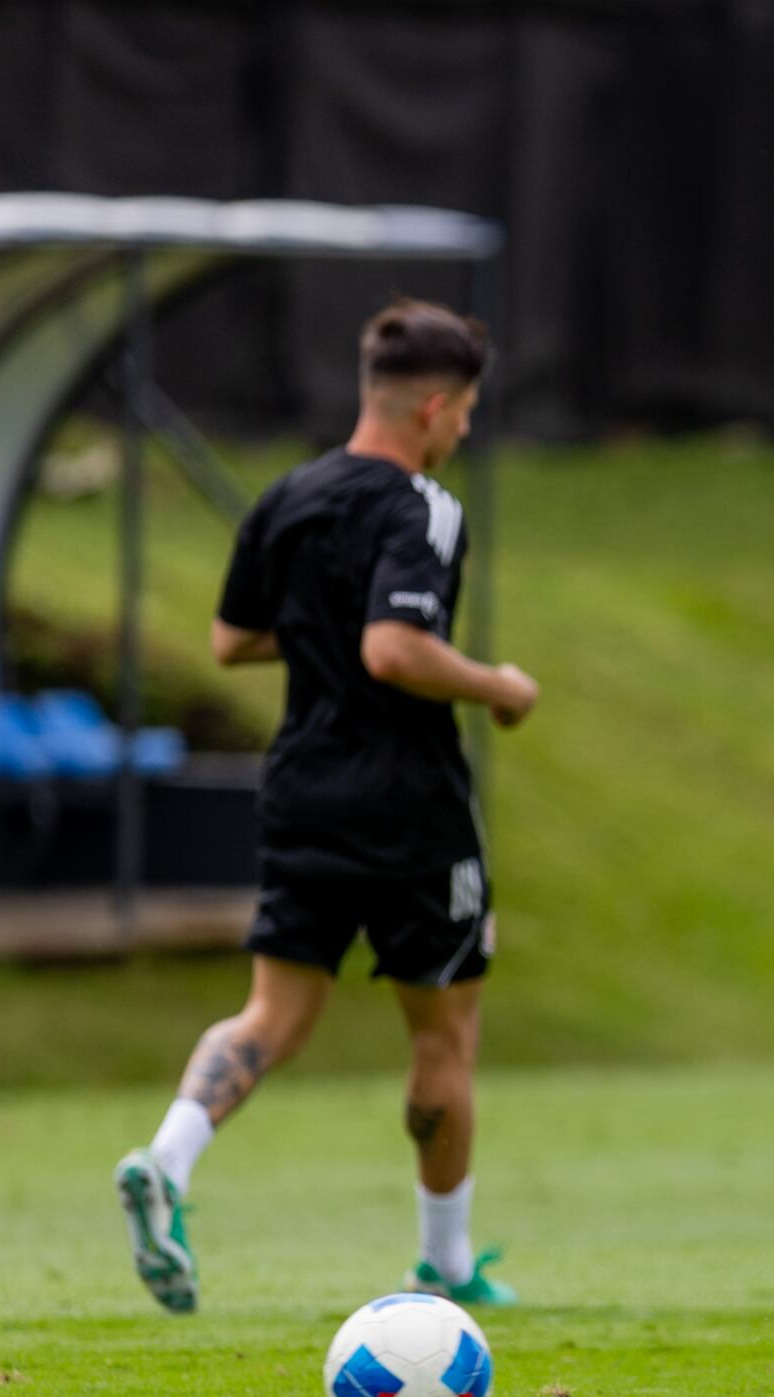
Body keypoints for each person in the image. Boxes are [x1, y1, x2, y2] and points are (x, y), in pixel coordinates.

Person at [113, 300, 538, 1314]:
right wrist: (498, 685)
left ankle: (167, 1160)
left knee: (273, 1013)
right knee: (443, 1036)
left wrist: (320, 631)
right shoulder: (422, 506)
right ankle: (445, 1260)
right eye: (467, 410)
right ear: (433, 406)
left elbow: (232, 638)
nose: (466, 430)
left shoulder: (287, 496)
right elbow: (392, 650)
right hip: (408, 804)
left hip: (301, 786)